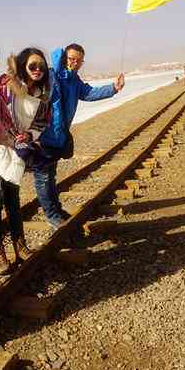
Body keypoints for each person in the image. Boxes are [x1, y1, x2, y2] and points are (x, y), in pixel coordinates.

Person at [0, 47, 50, 274]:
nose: (37, 70)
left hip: (14, 152)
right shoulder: (5, 87)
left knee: (13, 202)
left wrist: (30, 135)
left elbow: (42, 122)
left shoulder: (42, 95)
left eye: (41, 67)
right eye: (32, 66)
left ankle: (19, 244)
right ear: (23, 66)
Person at [33, 43, 125, 230]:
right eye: (71, 59)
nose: (75, 63)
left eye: (79, 61)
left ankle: (55, 210)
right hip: (40, 137)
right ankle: (51, 215)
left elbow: (89, 93)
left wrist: (113, 88)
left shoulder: (74, 80)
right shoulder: (50, 75)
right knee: (43, 178)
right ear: (64, 58)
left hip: (58, 136)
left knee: (50, 175)